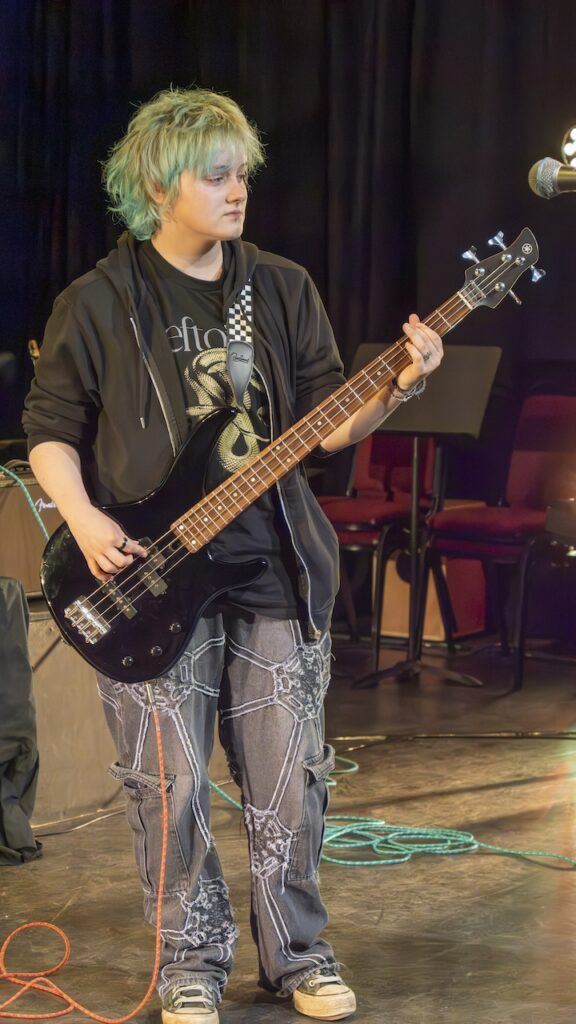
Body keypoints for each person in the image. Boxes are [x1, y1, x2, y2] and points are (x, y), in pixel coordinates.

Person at [23, 87, 442, 1023]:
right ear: (158, 185)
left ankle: (300, 956)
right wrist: (82, 519)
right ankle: (189, 963)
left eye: (242, 171)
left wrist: (399, 386)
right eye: (216, 175)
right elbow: (49, 427)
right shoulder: (98, 301)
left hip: (274, 572)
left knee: (291, 782)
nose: (237, 189)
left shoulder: (281, 288)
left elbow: (329, 425)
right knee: (166, 788)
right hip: (146, 577)